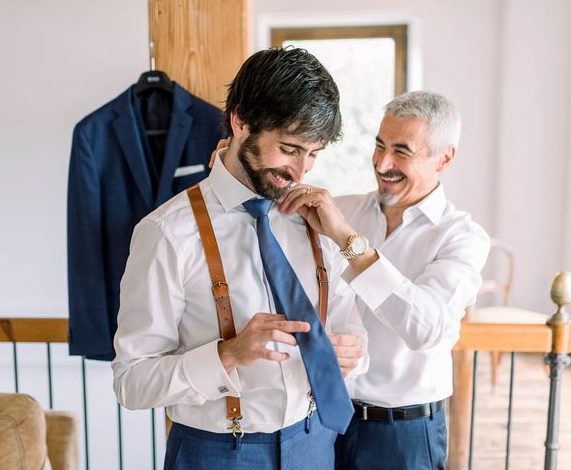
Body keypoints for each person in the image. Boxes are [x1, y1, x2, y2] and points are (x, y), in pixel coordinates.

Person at [112, 47, 368, 470]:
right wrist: (227, 354)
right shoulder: (165, 234)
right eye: (289, 149)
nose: (301, 172)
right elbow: (131, 382)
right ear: (240, 121)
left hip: (315, 443)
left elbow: (353, 335)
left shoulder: (319, 220)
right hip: (217, 453)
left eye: (314, 153)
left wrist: (353, 355)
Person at [280, 91, 490, 470]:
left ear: (445, 158)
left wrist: (348, 242)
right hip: (325, 419)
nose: (382, 163)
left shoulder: (462, 237)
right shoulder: (342, 210)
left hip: (402, 436)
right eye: (379, 145)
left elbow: (426, 329)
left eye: (402, 151)